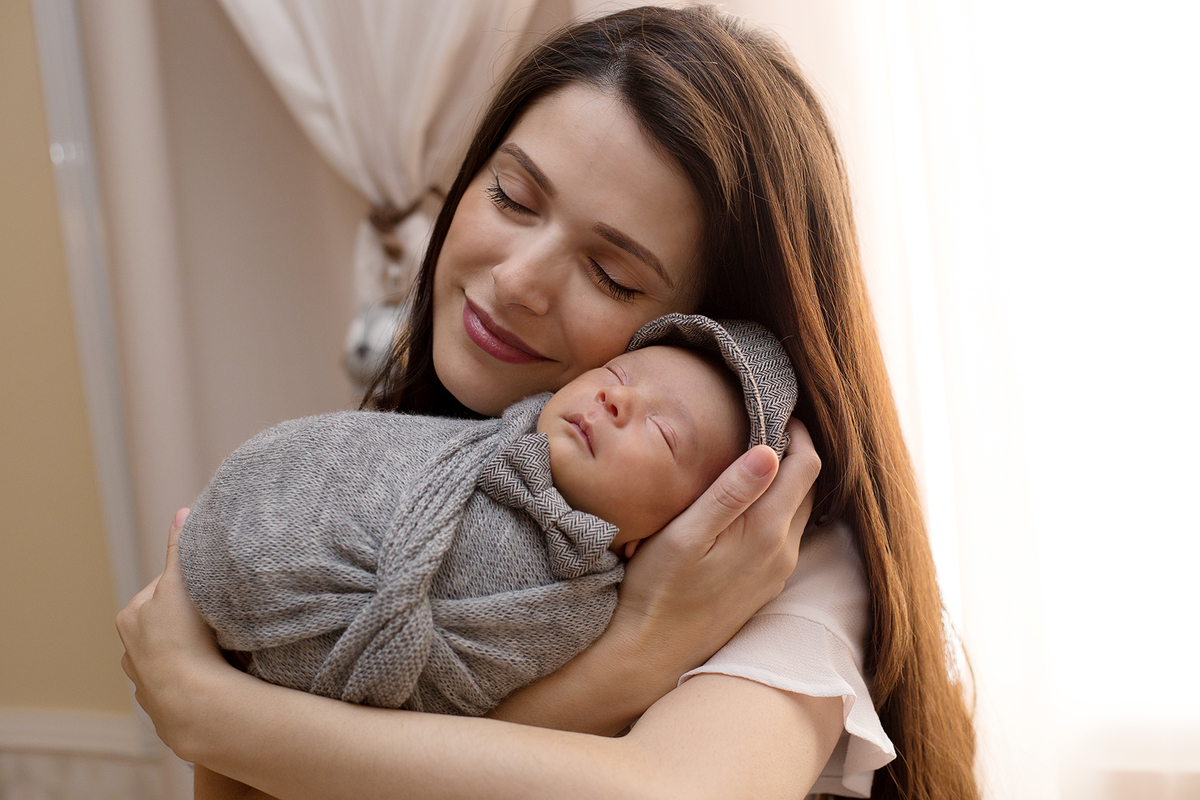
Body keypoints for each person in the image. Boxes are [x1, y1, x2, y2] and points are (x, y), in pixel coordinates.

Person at [117, 6, 979, 799]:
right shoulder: (396, 481)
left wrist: (213, 714)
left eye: (611, 273)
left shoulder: (773, 546)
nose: (516, 280)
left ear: (704, 335)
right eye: (511, 197)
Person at [179, 315, 794, 716]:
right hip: (237, 537)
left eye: (662, 431)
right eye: (618, 373)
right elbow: (353, 454)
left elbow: (455, 705)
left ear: (667, 533)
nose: (616, 396)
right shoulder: (472, 440)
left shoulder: (574, 605)